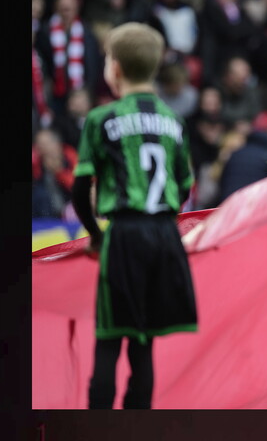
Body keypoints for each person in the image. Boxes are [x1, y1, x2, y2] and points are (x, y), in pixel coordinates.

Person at [71, 22, 197, 409]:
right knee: (143, 346)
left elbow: (80, 189)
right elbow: (185, 185)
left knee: (109, 339)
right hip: (163, 235)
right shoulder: (173, 122)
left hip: (123, 234)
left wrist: (95, 233)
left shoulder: (101, 118)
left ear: (115, 69)